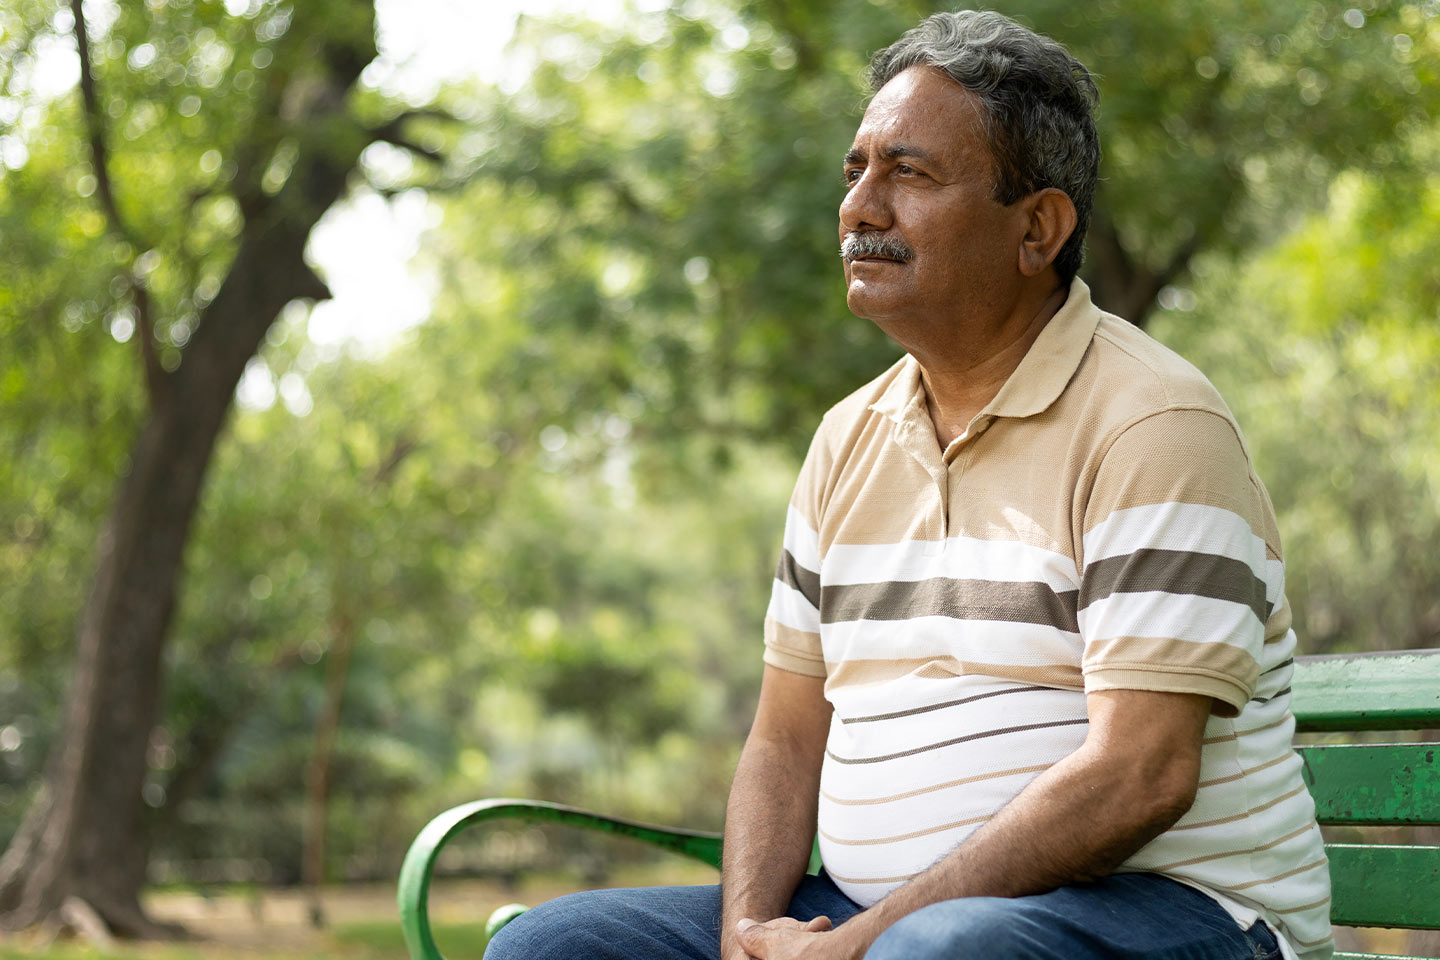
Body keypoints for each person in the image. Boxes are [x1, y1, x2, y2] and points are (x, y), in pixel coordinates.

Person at [485, 10, 1333, 960]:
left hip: (1169, 910)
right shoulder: (848, 439)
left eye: (911, 173)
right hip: (880, 920)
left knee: (938, 955)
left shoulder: (1155, 424)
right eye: (856, 171)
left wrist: (866, 943)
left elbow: (1140, 774)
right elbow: (783, 739)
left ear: (1037, 229)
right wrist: (748, 937)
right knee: (552, 947)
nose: (860, 207)